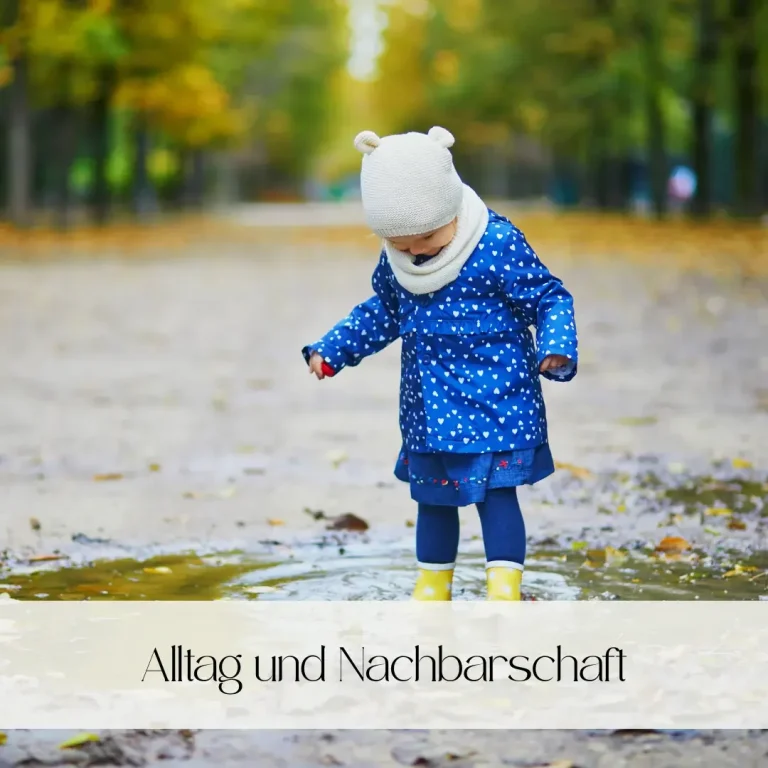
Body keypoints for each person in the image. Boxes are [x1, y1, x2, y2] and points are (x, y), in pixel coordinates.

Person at [302, 126, 578, 601]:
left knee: (496, 495)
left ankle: (504, 584)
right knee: (432, 498)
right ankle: (432, 583)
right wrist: (334, 349)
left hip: (498, 400)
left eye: (426, 237)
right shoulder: (397, 262)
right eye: (401, 243)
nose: (415, 251)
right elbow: (383, 310)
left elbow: (549, 297)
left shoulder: (495, 243)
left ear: (450, 209)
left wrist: (555, 345)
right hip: (429, 408)